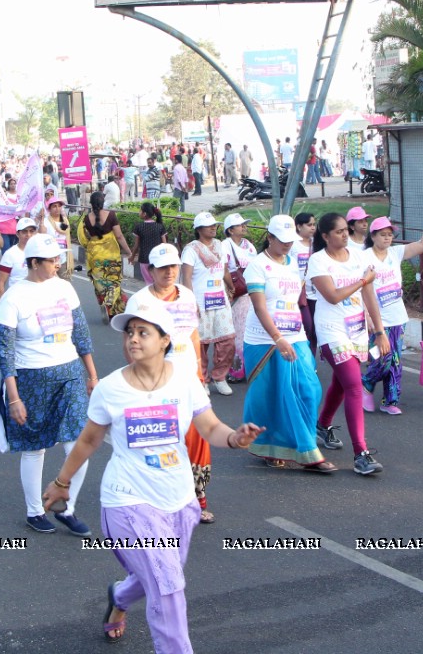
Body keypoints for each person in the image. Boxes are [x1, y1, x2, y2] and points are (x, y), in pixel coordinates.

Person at [40, 303, 263, 648]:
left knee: (159, 574)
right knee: (168, 585)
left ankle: (119, 596)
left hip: (179, 501)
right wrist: (61, 483)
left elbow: (210, 427)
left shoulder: (184, 381)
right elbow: (88, 440)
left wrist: (235, 438)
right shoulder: (111, 389)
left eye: (143, 332)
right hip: (128, 500)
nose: (133, 339)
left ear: (164, 341)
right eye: (130, 333)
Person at [0, 234, 98, 535]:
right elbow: (6, 352)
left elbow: (81, 334)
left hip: (69, 375)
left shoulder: (65, 288)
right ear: (34, 263)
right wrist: (13, 398)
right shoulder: (13, 297)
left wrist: (91, 375)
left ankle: (68, 506)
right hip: (31, 379)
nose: (58, 264)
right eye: (52, 260)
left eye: (58, 259)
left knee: (78, 443)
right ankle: (34, 510)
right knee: (35, 448)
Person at [122, 243, 218, 522]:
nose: (169, 272)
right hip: (156, 383)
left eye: (174, 266)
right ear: (150, 271)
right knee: (162, 442)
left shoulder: (187, 294)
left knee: (199, 438)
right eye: (163, 268)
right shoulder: (140, 302)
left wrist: (201, 373)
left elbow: (193, 334)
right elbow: (131, 345)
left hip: (189, 378)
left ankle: (197, 499)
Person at [242, 216, 336, 471]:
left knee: (308, 389)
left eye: (290, 241)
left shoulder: (294, 263)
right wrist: (277, 338)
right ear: (269, 238)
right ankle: (301, 451)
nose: (286, 245)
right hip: (264, 340)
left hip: (295, 335)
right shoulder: (257, 266)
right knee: (271, 395)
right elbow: (260, 308)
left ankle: (300, 442)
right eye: (281, 241)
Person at [308, 212, 386, 475]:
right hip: (332, 331)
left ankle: (323, 424)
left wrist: (380, 330)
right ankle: (361, 454)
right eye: (339, 231)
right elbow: (332, 296)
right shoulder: (318, 261)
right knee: (354, 385)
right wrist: (363, 280)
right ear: (325, 236)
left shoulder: (359, 256)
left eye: (345, 230)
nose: (344, 234)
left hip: (357, 330)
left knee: (341, 383)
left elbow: (369, 295)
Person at [362, 206, 423, 414]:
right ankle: (367, 384)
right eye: (383, 235)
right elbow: (360, 289)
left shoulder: (395, 253)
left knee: (396, 360)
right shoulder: (364, 258)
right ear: (373, 236)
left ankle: (390, 401)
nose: (388, 238)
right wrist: (367, 317)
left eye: (390, 235)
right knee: (382, 358)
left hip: (397, 316)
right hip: (377, 319)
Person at [181, 212, 235, 396]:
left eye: (215, 225)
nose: (214, 228)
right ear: (198, 229)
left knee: (227, 340)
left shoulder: (220, 246)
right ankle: (201, 379)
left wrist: (231, 285)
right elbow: (186, 277)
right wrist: (190, 301)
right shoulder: (191, 250)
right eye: (209, 225)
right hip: (200, 302)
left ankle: (220, 377)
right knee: (201, 343)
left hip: (220, 301)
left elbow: (225, 269)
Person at [76, 191, 130, 322]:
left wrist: (88, 246)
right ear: (103, 202)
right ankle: (111, 307)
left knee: (100, 283)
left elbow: (82, 238)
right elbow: (119, 236)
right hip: (111, 254)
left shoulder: (86, 218)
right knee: (113, 282)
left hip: (95, 256)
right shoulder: (111, 215)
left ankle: (103, 303)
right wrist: (129, 251)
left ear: (91, 203)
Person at [222, 213, 256, 383]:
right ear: (230, 230)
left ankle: (246, 366)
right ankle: (236, 368)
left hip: (249, 292)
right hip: (235, 294)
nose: (244, 227)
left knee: (247, 328)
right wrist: (231, 287)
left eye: (244, 224)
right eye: (240, 225)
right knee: (237, 330)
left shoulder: (248, 245)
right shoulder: (225, 245)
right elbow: (223, 269)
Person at [292, 212, 317, 352]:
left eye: (314, 224)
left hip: (317, 292)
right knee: (308, 328)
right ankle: (303, 360)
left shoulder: (317, 243)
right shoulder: (293, 245)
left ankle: (311, 364)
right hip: (300, 293)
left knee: (316, 331)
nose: (313, 227)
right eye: (309, 225)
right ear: (299, 226)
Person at [0, 218, 37, 299]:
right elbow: (1, 283)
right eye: (24, 231)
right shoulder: (10, 254)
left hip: (36, 298)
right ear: (17, 234)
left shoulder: (41, 252)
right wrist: (1, 304)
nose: (28, 235)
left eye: (31, 231)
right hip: (16, 298)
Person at [129, 202, 167, 286]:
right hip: (158, 259)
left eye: (140, 210)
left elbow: (136, 245)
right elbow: (165, 244)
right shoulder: (160, 226)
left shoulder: (139, 227)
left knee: (149, 283)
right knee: (158, 283)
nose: (139, 212)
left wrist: (132, 256)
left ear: (144, 213)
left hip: (144, 259)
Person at [37, 196, 71, 279]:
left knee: (65, 287)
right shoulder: (45, 222)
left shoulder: (65, 221)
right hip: (49, 261)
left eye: (59, 206)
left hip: (63, 260)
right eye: (54, 206)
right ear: (49, 209)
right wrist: (40, 227)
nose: (57, 208)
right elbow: (40, 237)